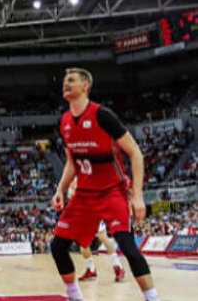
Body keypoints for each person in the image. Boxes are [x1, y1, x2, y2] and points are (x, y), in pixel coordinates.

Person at [50, 68, 160, 301]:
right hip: (84, 195)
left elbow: (135, 153)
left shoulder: (103, 115)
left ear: (85, 86)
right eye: (64, 81)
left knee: (128, 248)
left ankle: (153, 298)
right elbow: (72, 163)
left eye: (71, 80)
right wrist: (60, 189)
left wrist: (137, 195)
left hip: (112, 191)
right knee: (58, 246)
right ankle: (74, 296)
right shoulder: (65, 122)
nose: (65, 84)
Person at [66, 179, 126, 282]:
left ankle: (118, 267)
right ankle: (91, 270)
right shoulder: (75, 178)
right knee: (83, 243)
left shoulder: (93, 174)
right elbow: (70, 194)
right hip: (82, 212)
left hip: (95, 210)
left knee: (103, 237)